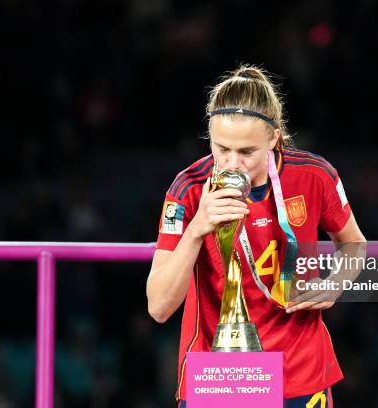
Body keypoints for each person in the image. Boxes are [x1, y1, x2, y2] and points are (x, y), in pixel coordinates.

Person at [147, 65, 366, 407]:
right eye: (221, 149)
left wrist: (337, 281)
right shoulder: (188, 189)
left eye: (247, 152)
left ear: (274, 138)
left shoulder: (314, 176)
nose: (232, 163)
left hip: (299, 368)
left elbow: (354, 244)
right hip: (221, 369)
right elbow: (159, 307)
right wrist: (196, 229)